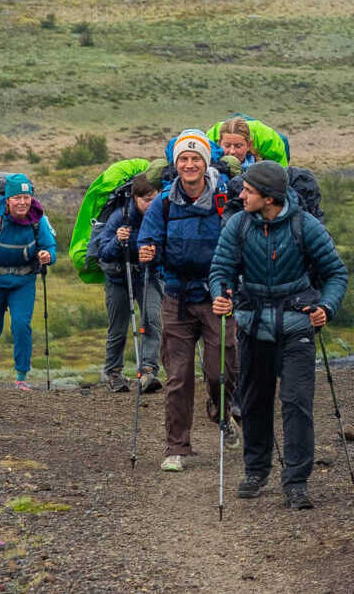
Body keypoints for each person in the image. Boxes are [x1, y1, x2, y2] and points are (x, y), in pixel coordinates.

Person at [209, 159, 348, 510]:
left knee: (296, 402)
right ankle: (256, 470)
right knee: (254, 401)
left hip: (297, 325)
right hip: (254, 326)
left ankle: (297, 482)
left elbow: (336, 274)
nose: (241, 195)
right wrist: (220, 295)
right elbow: (220, 270)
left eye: (249, 191)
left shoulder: (306, 226)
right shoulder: (237, 225)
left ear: (269, 198)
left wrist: (326, 309)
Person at [139, 130, 239, 471]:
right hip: (177, 297)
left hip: (218, 296)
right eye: (183, 158)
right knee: (178, 376)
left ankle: (221, 412)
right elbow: (147, 238)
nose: (190, 164)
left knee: (220, 371)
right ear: (176, 164)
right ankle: (176, 447)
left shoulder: (225, 198)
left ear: (206, 162)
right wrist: (147, 249)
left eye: (196, 158)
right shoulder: (164, 202)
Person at [0, 173, 58, 388]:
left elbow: (51, 248)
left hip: (23, 281)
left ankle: (21, 378)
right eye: (17, 197)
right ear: (7, 200)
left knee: (21, 326)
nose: (22, 202)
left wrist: (48, 256)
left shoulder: (38, 221)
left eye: (26, 197)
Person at [88, 170, 165, 393]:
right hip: (118, 276)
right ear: (135, 198)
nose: (151, 204)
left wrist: (154, 254)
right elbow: (103, 252)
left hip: (149, 274)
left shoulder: (162, 217)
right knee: (118, 327)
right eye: (146, 200)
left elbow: (170, 250)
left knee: (151, 319)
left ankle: (148, 370)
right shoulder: (119, 217)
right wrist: (117, 241)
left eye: (155, 199)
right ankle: (113, 373)